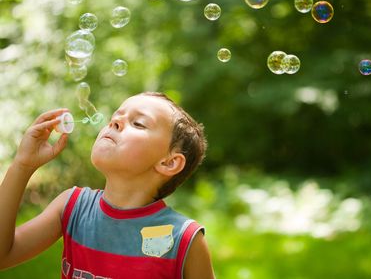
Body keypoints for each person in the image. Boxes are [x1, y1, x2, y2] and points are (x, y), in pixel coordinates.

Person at [0, 92, 215, 279]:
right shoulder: (73, 207)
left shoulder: (184, 239)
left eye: (138, 123)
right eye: (115, 118)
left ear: (169, 162)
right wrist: (22, 165)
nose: (114, 123)